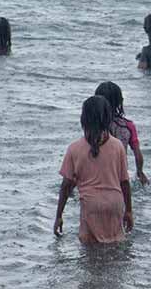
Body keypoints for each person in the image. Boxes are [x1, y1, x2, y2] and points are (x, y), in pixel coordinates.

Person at [54, 95, 133, 244]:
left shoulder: (74, 148)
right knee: (114, 247)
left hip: (90, 205)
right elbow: (125, 182)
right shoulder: (118, 146)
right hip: (115, 204)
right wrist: (128, 211)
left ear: (84, 120)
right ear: (108, 119)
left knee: (90, 252)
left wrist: (59, 216)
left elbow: (66, 186)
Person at [94, 81, 149, 186]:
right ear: (120, 101)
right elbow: (137, 153)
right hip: (120, 173)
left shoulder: (94, 125)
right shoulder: (128, 126)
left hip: (97, 174)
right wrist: (140, 172)